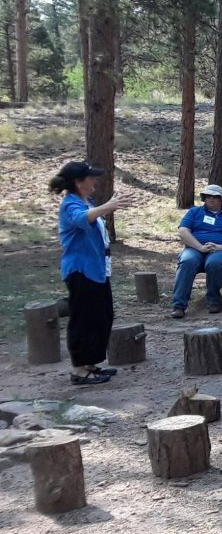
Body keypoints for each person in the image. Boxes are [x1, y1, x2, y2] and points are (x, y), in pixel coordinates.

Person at [49, 161, 123, 385]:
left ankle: (91, 364)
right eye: (90, 177)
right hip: (80, 270)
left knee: (101, 316)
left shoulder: (87, 201)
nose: (94, 180)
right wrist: (108, 206)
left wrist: (103, 208)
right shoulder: (70, 205)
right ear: (78, 182)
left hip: (98, 270)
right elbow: (82, 219)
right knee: (83, 319)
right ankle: (79, 370)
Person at [171, 184, 222, 318]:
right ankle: (179, 305)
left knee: (215, 263)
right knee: (187, 261)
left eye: (215, 196)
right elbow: (182, 231)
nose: (211, 199)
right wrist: (199, 247)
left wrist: (221, 247)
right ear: (204, 198)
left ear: (221, 199)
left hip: (221, 250)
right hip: (195, 248)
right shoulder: (194, 212)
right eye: (208, 196)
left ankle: (213, 300)